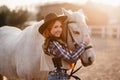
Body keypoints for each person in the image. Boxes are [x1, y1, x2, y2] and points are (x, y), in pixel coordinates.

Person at [39, 13, 89, 79]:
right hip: (58, 76)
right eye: (55, 27)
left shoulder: (54, 42)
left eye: (60, 26)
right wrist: (83, 43)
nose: (59, 29)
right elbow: (71, 58)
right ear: (48, 30)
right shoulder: (53, 44)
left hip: (59, 75)